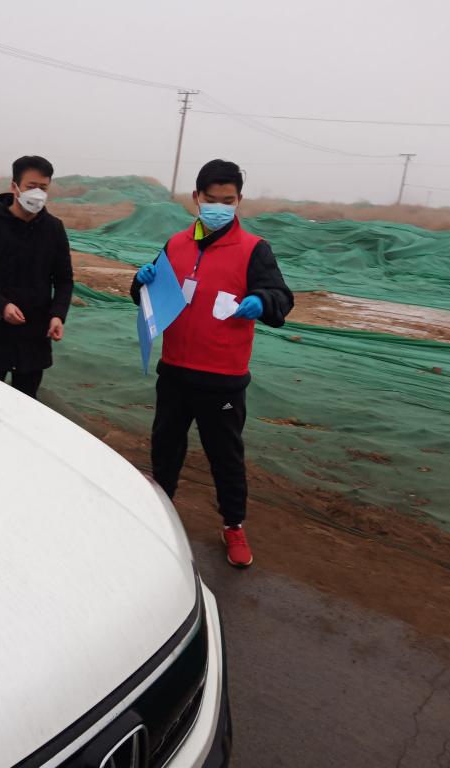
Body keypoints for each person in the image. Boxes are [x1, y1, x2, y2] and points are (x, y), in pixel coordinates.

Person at [131, 159, 293, 568]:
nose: (219, 207)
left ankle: (233, 525)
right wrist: (140, 280)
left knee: (225, 455)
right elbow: (146, 296)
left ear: (239, 201)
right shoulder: (176, 245)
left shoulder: (254, 249)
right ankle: (161, 512)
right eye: (212, 199)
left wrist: (262, 301)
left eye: (228, 200)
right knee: (166, 446)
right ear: (196, 198)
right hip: (175, 370)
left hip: (223, 378)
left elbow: (281, 297)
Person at [0, 155, 74, 399]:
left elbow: (64, 280)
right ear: (14, 187)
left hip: (35, 337)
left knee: (25, 403)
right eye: (31, 186)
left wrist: (57, 315)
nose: (38, 194)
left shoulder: (54, 229)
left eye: (43, 188)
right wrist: (1, 306)